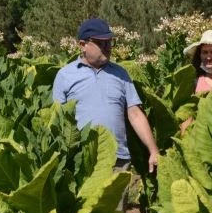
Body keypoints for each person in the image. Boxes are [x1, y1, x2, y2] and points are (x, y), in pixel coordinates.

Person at [52, 18, 158, 173]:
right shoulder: (65, 75)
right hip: (81, 160)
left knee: (119, 198)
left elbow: (135, 113)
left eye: (109, 42)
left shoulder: (121, 73)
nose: (107, 47)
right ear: (83, 45)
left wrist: (153, 150)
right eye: (101, 43)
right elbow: (57, 119)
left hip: (118, 159)